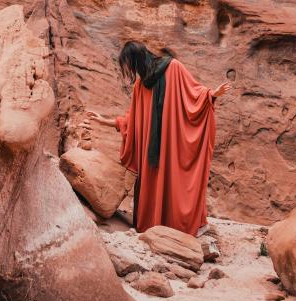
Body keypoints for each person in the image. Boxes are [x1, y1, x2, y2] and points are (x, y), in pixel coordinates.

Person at [87, 41, 231, 236]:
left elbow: (193, 94)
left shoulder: (174, 67)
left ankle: (178, 229)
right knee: (154, 187)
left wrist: (212, 94)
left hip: (171, 147)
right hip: (151, 156)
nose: (130, 70)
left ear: (137, 59)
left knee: (175, 186)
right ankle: (154, 230)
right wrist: (104, 121)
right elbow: (133, 121)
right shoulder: (140, 85)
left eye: (129, 64)